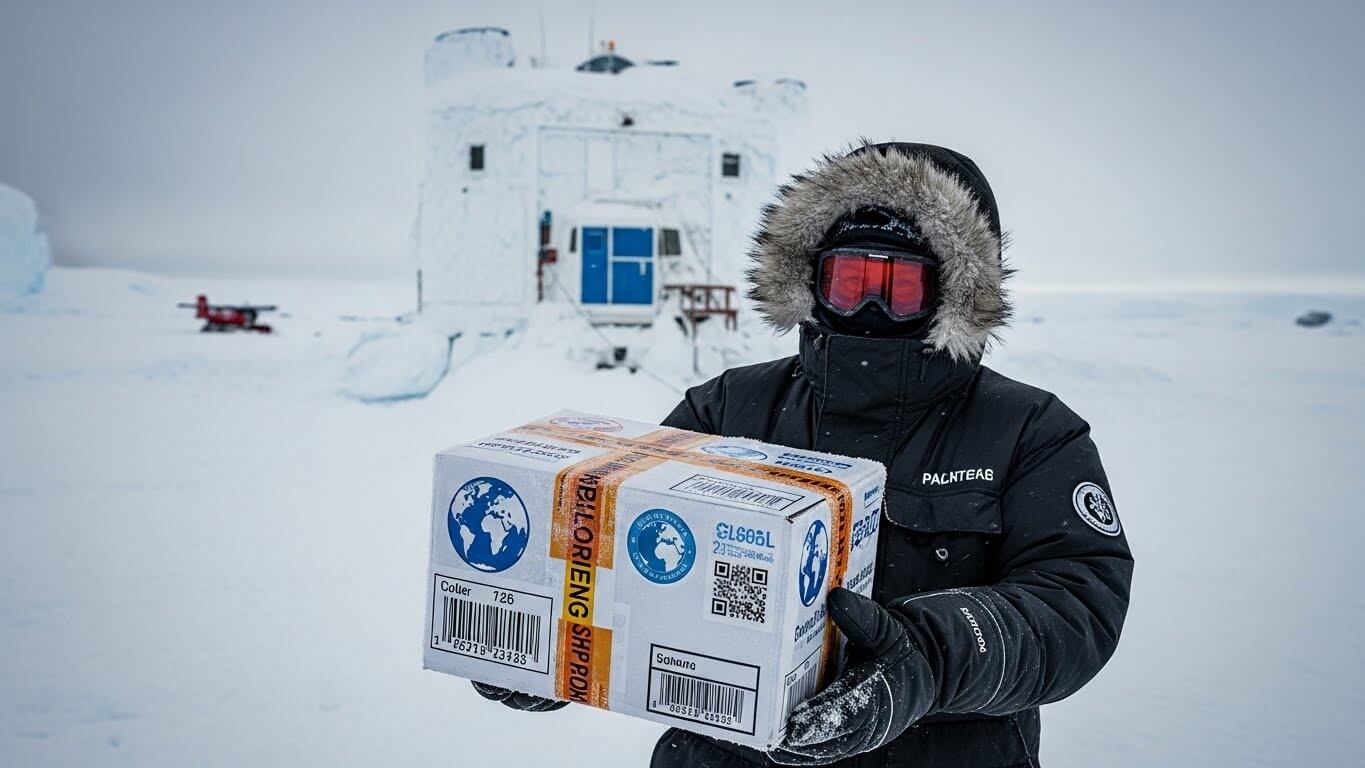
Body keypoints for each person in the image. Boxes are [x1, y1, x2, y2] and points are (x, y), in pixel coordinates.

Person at [475, 142, 1135, 768]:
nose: (870, 307)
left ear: (952, 294)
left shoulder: (1027, 429)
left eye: (898, 288)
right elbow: (628, 547)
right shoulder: (727, 408)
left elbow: (1076, 603)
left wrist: (927, 660)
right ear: (810, 282)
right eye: (851, 282)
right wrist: (554, 644)